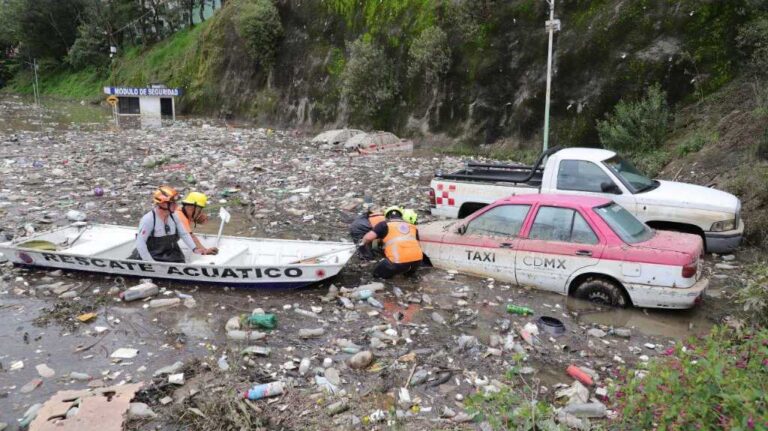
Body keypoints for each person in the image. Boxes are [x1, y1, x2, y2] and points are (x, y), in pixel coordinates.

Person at [128, 186, 213, 263]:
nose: (176, 205)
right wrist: (150, 262)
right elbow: (140, 242)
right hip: (152, 256)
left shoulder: (174, 217)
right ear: (163, 203)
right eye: (172, 203)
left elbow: (184, 234)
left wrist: (196, 250)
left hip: (170, 255)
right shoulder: (148, 219)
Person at [360, 206, 423, 279]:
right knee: (407, 274)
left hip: (397, 262)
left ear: (387, 217)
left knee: (377, 274)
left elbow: (368, 238)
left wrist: (362, 243)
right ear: (401, 216)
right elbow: (418, 244)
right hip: (417, 260)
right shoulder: (412, 226)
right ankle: (409, 276)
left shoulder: (383, 224)